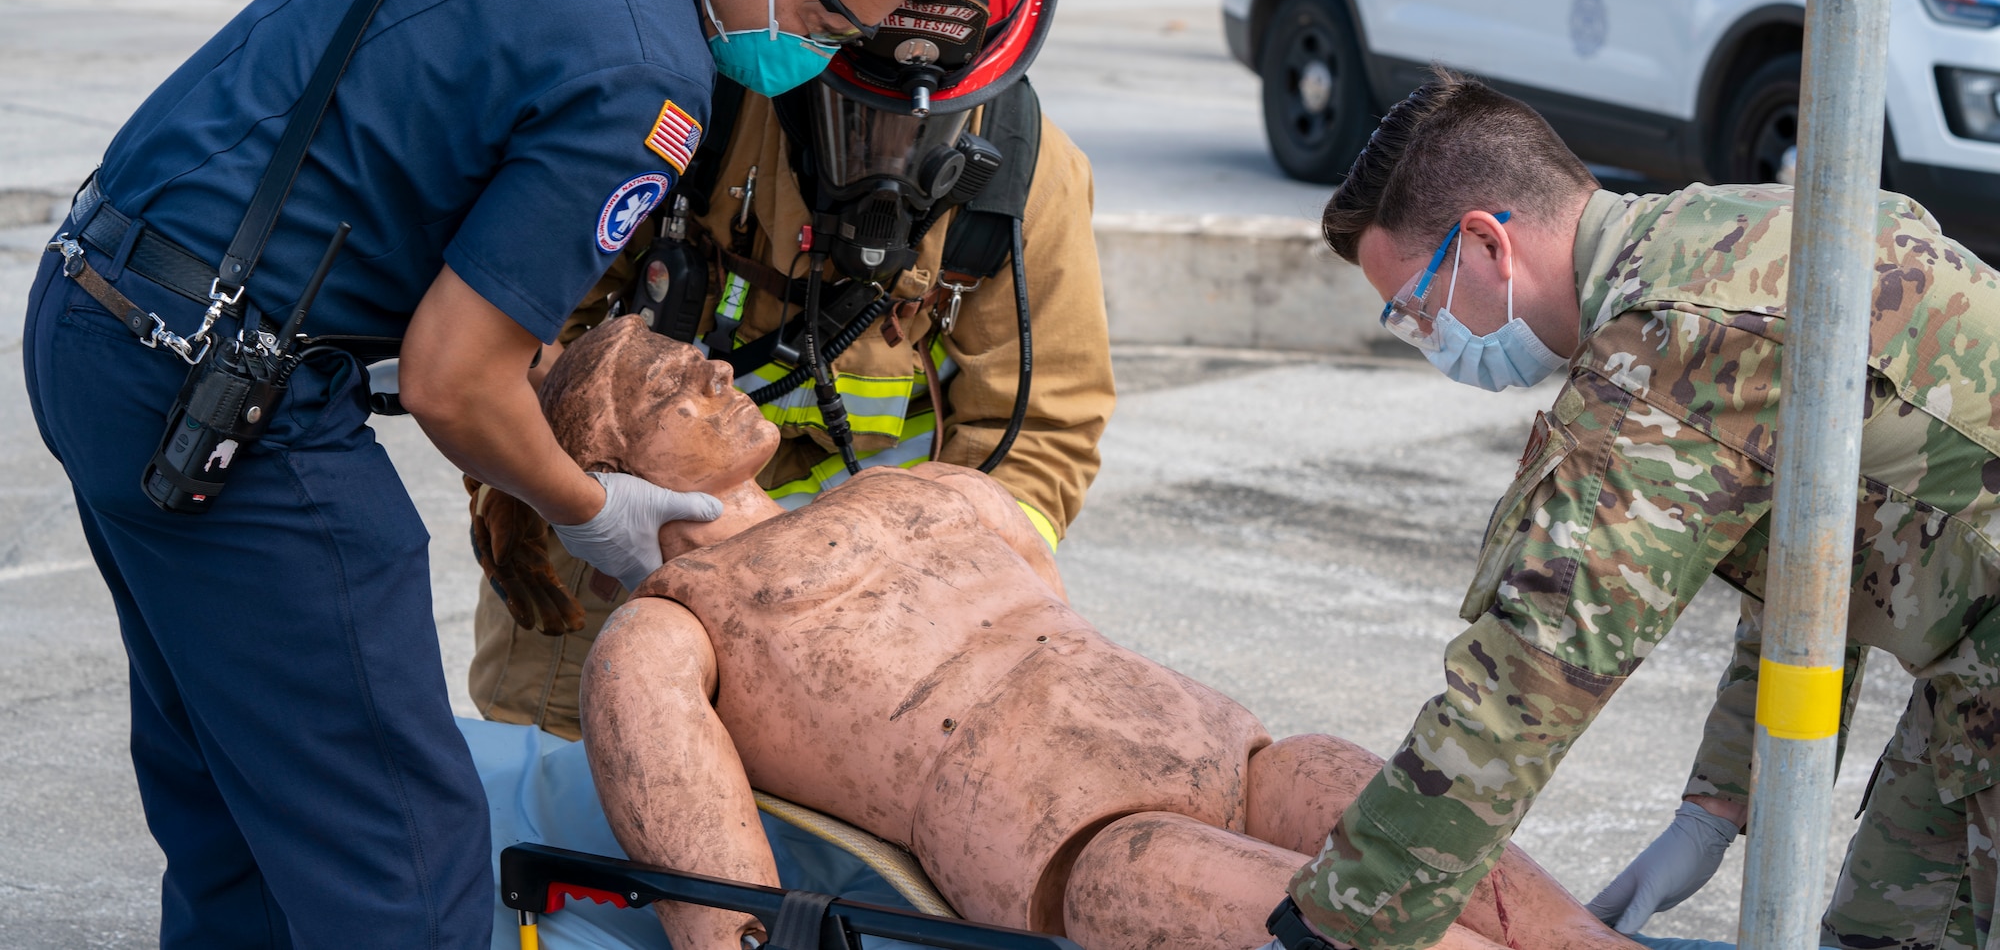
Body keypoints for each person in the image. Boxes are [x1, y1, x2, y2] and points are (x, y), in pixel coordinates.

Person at [21, 0, 956, 944]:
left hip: (103, 314)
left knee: (238, 813)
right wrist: (594, 509)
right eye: (824, 21)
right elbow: (453, 382)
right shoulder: (646, 74)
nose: (816, 51)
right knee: (402, 858)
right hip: (220, 396)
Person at [532, 315, 1635, 950]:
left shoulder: (923, 485)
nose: (714, 370)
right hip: (1087, 845)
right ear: (608, 465)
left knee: (1382, 806)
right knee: (1348, 924)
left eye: (693, 356)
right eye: (668, 387)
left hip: (1240, 755)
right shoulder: (669, 631)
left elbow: (1052, 620)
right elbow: (725, 908)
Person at [1271, 71, 2000, 950]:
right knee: (1889, 934)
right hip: (1978, 663)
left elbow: (1534, 672)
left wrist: (1330, 929)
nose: (1432, 343)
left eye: (1417, 312)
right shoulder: (1725, 232)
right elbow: (1821, 546)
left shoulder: (1668, 342)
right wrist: (1716, 805)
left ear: (1486, 245)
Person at [463, 0, 1114, 744]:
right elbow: (517, 329)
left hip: (870, 616)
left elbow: (1043, 435)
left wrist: (924, 590)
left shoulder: (1026, 187)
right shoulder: (688, 104)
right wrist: (561, 503)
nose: (885, 154)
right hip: (618, 561)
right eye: (853, 103)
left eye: (923, 124)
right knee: (548, 815)